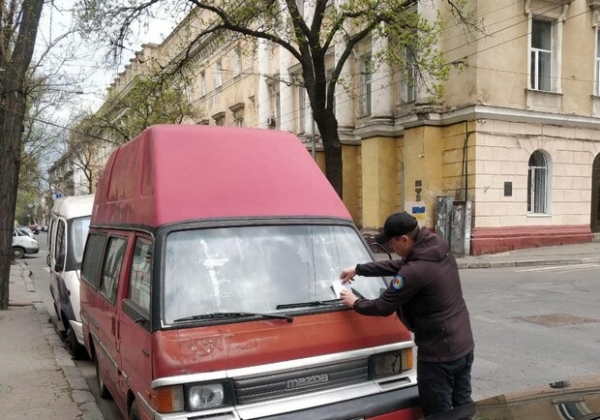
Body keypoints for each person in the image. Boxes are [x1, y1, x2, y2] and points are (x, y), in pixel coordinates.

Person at [339, 211, 474, 418]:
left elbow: (383, 306)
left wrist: (355, 302)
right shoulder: (435, 247)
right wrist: (359, 269)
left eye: (391, 243)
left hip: (439, 355)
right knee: (463, 406)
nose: (390, 247)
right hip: (463, 344)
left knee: (438, 413)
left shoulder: (414, 271)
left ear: (404, 239)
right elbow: (399, 266)